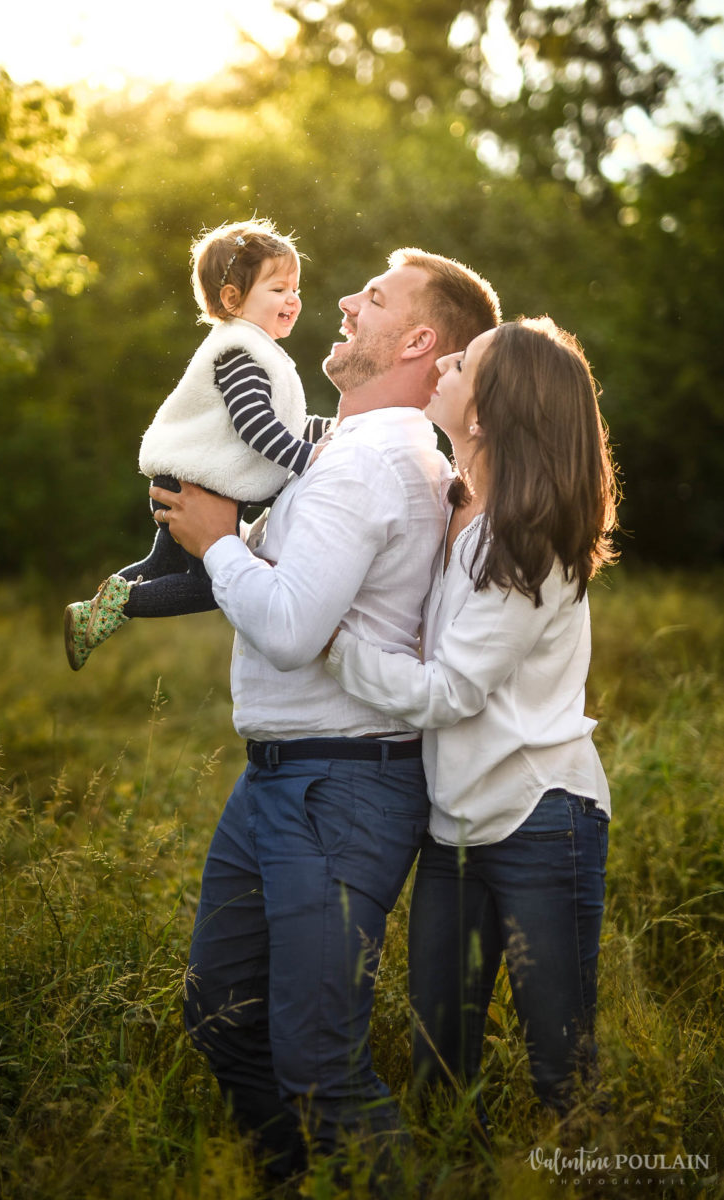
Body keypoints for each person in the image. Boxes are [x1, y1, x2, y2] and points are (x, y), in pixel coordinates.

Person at [149, 249, 501, 1179]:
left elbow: (291, 630)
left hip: (337, 790)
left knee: (318, 1063)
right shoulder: (335, 452)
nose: (342, 301)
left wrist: (217, 543)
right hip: (278, 779)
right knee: (223, 1019)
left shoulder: (368, 466)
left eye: (372, 298)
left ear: (417, 341)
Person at [325, 317, 620, 1123]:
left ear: (484, 415)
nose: (443, 363)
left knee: (560, 1067)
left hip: (537, 817)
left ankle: (598, 1172)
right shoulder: (447, 505)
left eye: (461, 363)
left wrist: (326, 643)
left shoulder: (528, 546)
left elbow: (447, 691)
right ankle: (461, 1172)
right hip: (451, 825)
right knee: (437, 1067)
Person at [63, 217, 331, 670]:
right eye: (279, 289)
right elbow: (255, 426)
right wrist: (307, 458)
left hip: (187, 477)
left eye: (295, 288)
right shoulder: (240, 353)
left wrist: (337, 429)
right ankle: (119, 606)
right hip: (197, 484)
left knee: (162, 566)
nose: (293, 298)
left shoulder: (251, 347)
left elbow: (287, 422)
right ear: (232, 299)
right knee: (209, 587)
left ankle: (90, 614)